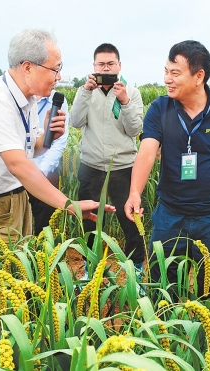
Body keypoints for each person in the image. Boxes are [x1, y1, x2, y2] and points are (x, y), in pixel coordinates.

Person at [0, 29, 115, 243]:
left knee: (17, 271)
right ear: (27, 67)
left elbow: (30, 149)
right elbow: (18, 164)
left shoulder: (29, 100)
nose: (59, 76)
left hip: (14, 200)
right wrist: (68, 204)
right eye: (55, 69)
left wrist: (48, 137)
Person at [125, 40, 210, 297]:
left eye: (175, 73)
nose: (167, 79)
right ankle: (166, 335)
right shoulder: (160, 108)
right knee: (163, 289)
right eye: (166, 71)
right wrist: (135, 192)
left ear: (199, 76)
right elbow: (147, 151)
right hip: (171, 215)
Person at [70, 43, 145, 275]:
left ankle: (136, 269)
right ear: (94, 66)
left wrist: (124, 102)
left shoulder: (131, 92)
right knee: (90, 222)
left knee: (130, 220)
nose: (106, 68)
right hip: (91, 167)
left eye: (110, 64)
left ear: (119, 66)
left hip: (123, 168)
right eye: (101, 64)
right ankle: (89, 269)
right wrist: (85, 91)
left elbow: (135, 130)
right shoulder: (86, 92)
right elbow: (75, 121)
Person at [29, 90, 69, 235]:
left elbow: (59, 141)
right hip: (17, 173)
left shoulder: (58, 101)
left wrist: (41, 171)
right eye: (54, 71)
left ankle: (43, 256)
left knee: (45, 228)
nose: (58, 77)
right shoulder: (17, 98)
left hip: (46, 174)